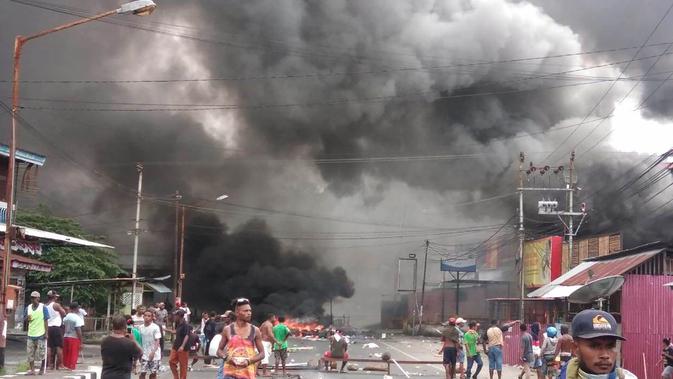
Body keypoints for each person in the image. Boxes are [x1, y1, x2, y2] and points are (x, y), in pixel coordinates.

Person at [558, 309, 636, 379]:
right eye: (594, 346)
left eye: (610, 346)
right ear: (575, 348)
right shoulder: (564, 376)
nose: (605, 355)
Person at [217, 298, 265, 379]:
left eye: (250, 311)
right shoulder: (227, 329)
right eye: (245, 311)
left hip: (247, 374)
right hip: (230, 373)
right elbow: (219, 351)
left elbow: (262, 353)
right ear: (237, 312)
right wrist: (227, 358)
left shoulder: (255, 330)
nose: (249, 313)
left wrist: (248, 361)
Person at [101, 315, 142, 379]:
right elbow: (140, 352)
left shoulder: (104, 341)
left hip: (106, 375)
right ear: (125, 327)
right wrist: (134, 340)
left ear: (113, 326)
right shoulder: (129, 343)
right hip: (122, 376)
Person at [25, 291, 49, 375]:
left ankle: (42, 368)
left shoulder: (43, 307)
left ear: (38, 298)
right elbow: (26, 319)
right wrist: (27, 319)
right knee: (30, 353)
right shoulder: (28, 308)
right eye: (32, 297)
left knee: (41, 352)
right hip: (31, 333)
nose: (33, 299)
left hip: (40, 333)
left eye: (35, 297)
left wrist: (46, 333)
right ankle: (32, 370)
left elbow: (46, 320)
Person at [138, 309, 161, 379]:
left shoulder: (155, 327)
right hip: (144, 354)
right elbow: (139, 340)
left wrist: (153, 352)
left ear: (152, 317)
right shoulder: (140, 327)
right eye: (145, 315)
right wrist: (139, 352)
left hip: (154, 355)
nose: (146, 317)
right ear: (143, 316)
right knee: (142, 373)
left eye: (149, 316)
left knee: (153, 374)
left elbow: (157, 341)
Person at [45, 290, 65, 371]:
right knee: (59, 346)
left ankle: (49, 365)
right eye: (56, 296)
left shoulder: (45, 306)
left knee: (49, 347)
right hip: (56, 328)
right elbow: (63, 313)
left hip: (48, 327)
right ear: (54, 297)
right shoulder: (56, 305)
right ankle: (60, 365)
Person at [169, 309, 191, 379]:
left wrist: (182, 346)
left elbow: (187, 335)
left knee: (183, 366)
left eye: (175, 316)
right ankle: (176, 377)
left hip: (183, 348)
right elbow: (176, 332)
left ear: (179, 316)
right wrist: (166, 330)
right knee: (171, 361)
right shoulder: (178, 324)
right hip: (176, 346)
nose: (174, 317)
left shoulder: (185, 325)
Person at [62, 302, 84, 370]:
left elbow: (63, 327)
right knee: (73, 354)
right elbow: (78, 330)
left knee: (66, 354)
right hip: (74, 338)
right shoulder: (77, 318)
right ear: (76, 308)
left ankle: (66, 367)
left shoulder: (66, 317)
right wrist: (81, 341)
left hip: (66, 337)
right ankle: (71, 368)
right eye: (78, 308)